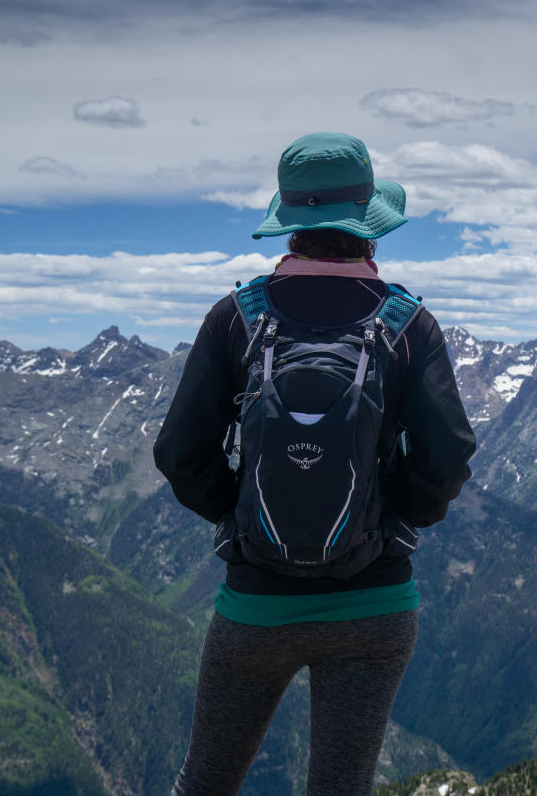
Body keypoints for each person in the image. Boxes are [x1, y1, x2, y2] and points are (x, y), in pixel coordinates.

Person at [153, 132, 475, 796]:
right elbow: (447, 462)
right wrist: (390, 525)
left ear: (289, 228)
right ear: (369, 227)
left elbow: (179, 455)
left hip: (257, 603)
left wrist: (238, 517)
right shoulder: (409, 324)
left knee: (205, 783)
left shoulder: (234, 318)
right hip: (376, 603)